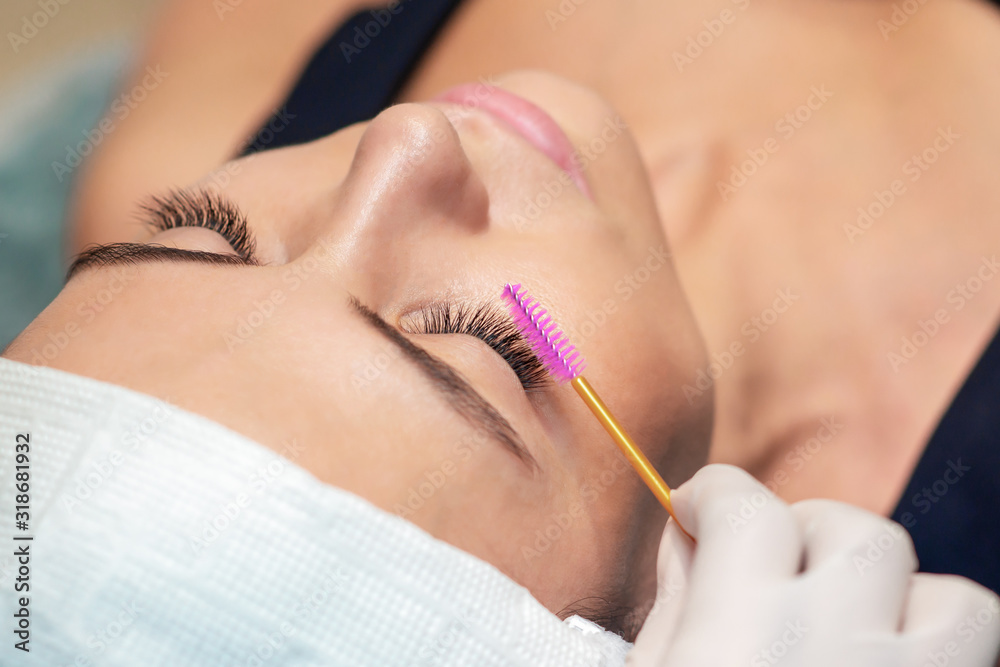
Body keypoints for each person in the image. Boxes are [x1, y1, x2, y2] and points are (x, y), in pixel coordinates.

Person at [66, 0, 1000, 600]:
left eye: (206, 235)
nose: (405, 141)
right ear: (652, 603)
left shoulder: (155, 163)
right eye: (465, 344)